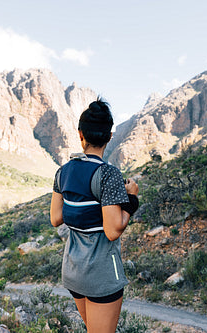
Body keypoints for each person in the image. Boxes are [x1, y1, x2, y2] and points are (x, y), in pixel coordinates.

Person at [50, 98, 139, 333]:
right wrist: (132, 199)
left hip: (73, 270)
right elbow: (113, 230)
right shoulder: (108, 175)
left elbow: (55, 218)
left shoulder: (63, 171)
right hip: (100, 274)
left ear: (81, 134)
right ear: (109, 136)